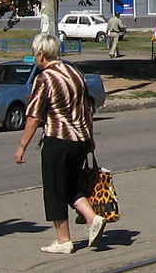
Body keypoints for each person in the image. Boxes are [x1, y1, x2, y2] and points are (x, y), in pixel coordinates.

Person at [14, 33, 105, 254]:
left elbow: (34, 116)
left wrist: (22, 146)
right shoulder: (75, 73)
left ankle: (64, 240)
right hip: (80, 139)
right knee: (70, 185)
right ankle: (92, 218)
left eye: (35, 54)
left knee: (54, 189)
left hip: (58, 139)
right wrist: (90, 138)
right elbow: (87, 109)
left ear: (41, 54)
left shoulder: (45, 78)